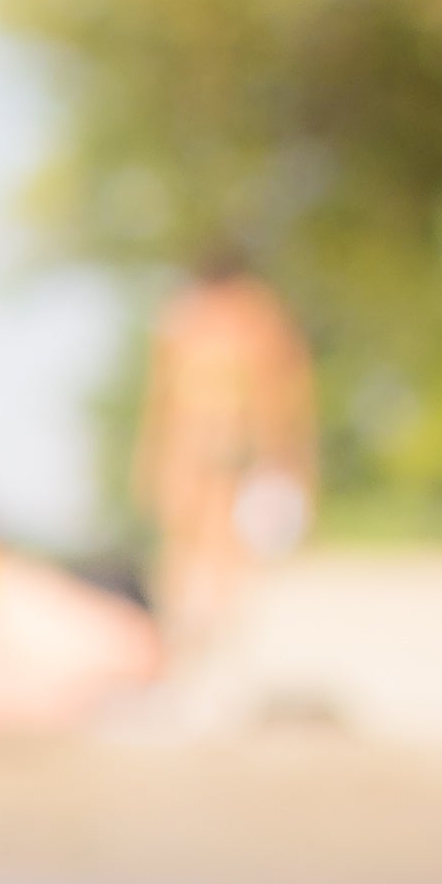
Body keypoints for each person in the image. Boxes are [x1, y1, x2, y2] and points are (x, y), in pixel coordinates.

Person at [135, 244, 316, 658]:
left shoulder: (242, 316)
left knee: (217, 544)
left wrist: (280, 453)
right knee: (189, 544)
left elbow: (275, 388)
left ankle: (208, 629)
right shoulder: (201, 318)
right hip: (203, 444)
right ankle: (189, 627)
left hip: (221, 445)